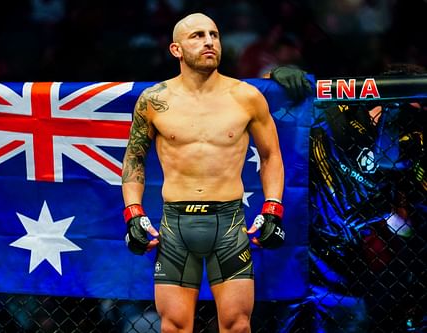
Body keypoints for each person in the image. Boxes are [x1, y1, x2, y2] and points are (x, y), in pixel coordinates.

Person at [121, 13, 312, 333]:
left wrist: (273, 208)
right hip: (176, 225)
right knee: (174, 326)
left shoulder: (246, 97)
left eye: (214, 34)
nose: (209, 41)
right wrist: (133, 212)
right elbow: (134, 159)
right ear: (176, 49)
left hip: (229, 222)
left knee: (237, 325)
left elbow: (271, 156)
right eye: (197, 35)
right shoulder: (154, 100)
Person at [281, 63, 426, 332]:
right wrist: (280, 78)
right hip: (292, 235)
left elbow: (404, 227)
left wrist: (383, 210)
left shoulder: (412, 144)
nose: (414, 119)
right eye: (412, 107)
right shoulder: (335, 111)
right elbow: (265, 102)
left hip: (340, 252)